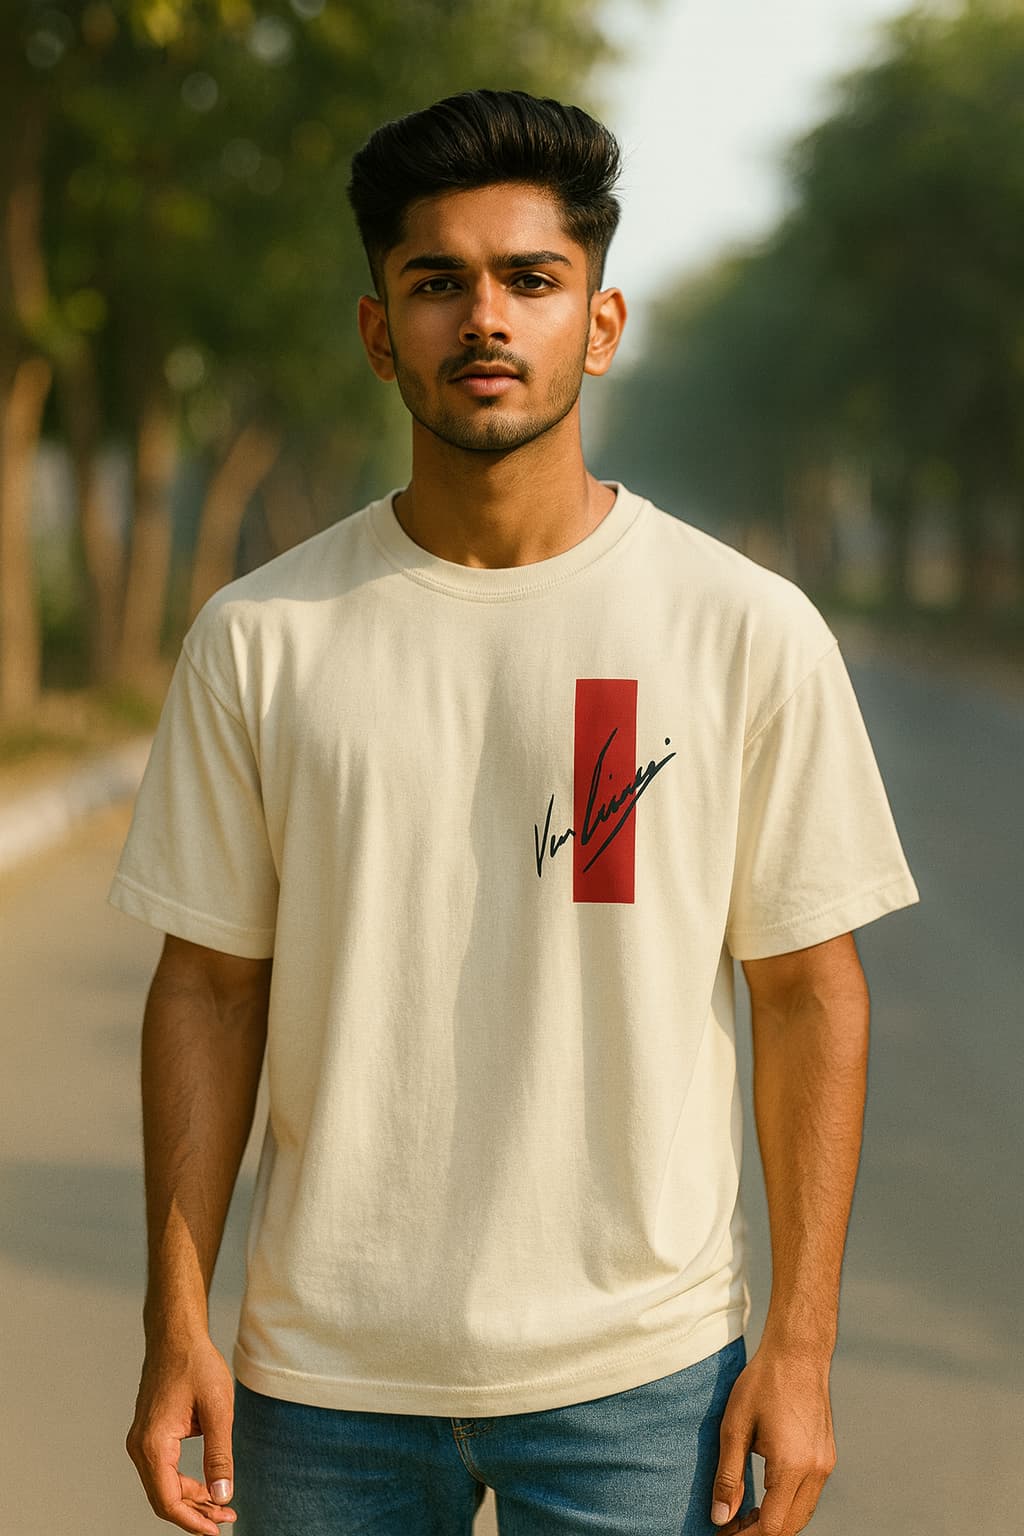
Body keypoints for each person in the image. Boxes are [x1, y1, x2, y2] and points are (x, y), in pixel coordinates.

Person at [110, 88, 920, 1536]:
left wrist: (800, 1349)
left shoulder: (740, 627)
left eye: (531, 280)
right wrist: (178, 1321)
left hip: (643, 1380)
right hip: (324, 1381)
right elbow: (210, 990)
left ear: (599, 325)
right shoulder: (262, 637)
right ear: (381, 334)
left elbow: (808, 991)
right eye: (437, 283)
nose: (485, 319)